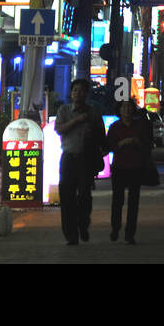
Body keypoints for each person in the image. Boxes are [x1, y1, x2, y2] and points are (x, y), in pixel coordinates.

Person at [55, 78, 105, 245]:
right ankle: (71, 235)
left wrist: (92, 131)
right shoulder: (64, 110)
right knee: (67, 197)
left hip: (86, 159)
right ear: (71, 93)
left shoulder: (94, 112)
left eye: (82, 90)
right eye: (75, 90)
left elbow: (101, 135)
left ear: (86, 94)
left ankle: (83, 225)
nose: (78, 93)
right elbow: (59, 129)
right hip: (69, 158)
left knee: (85, 196)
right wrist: (77, 121)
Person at [106, 100, 152, 245]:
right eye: (124, 107)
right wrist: (121, 143)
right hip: (119, 167)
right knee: (117, 200)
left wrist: (137, 143)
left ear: (133, 109)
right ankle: (115, 228)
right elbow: (109, 146)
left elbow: (147, 144)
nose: (127, 110)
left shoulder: (140, 126)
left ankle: (130, 234)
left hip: (136, 167)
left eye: (129, 107)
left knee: (133, 202)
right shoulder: (114, 127)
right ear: (119, 110)